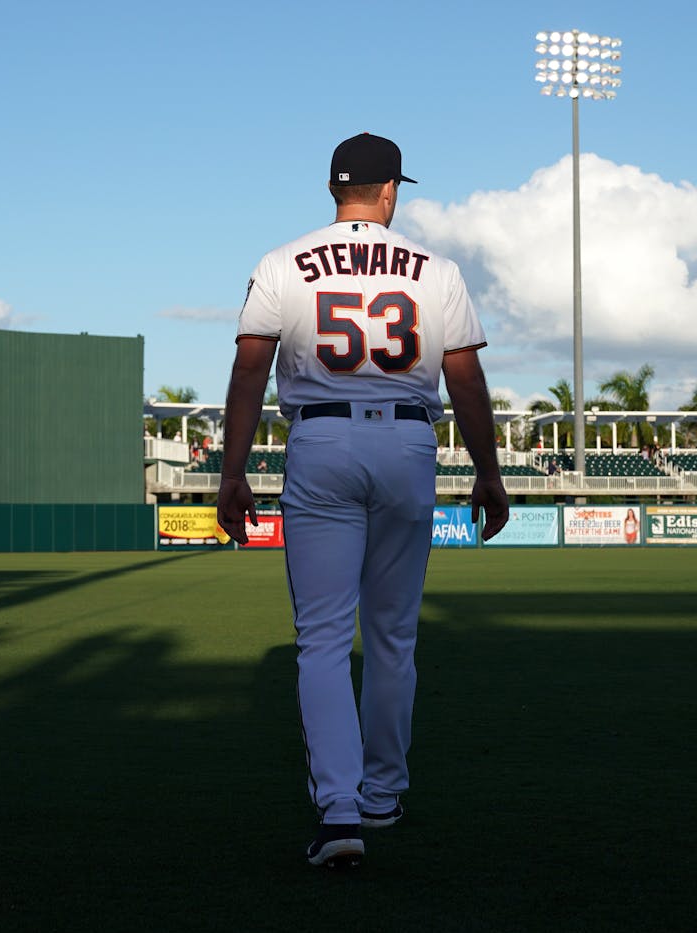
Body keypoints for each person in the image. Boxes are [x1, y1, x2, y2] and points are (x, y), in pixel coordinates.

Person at [215, 132, 509, 870]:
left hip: (320, 442)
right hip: (407, 443)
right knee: (392, 637)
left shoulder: (283, 261)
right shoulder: (435, 270)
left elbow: (249, 373)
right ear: (389, 192)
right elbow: (466, 381)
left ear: (333, 190)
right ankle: (381, 793)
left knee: (320, 638)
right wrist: (489, 472)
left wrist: (232, 471)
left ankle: (339, 808)